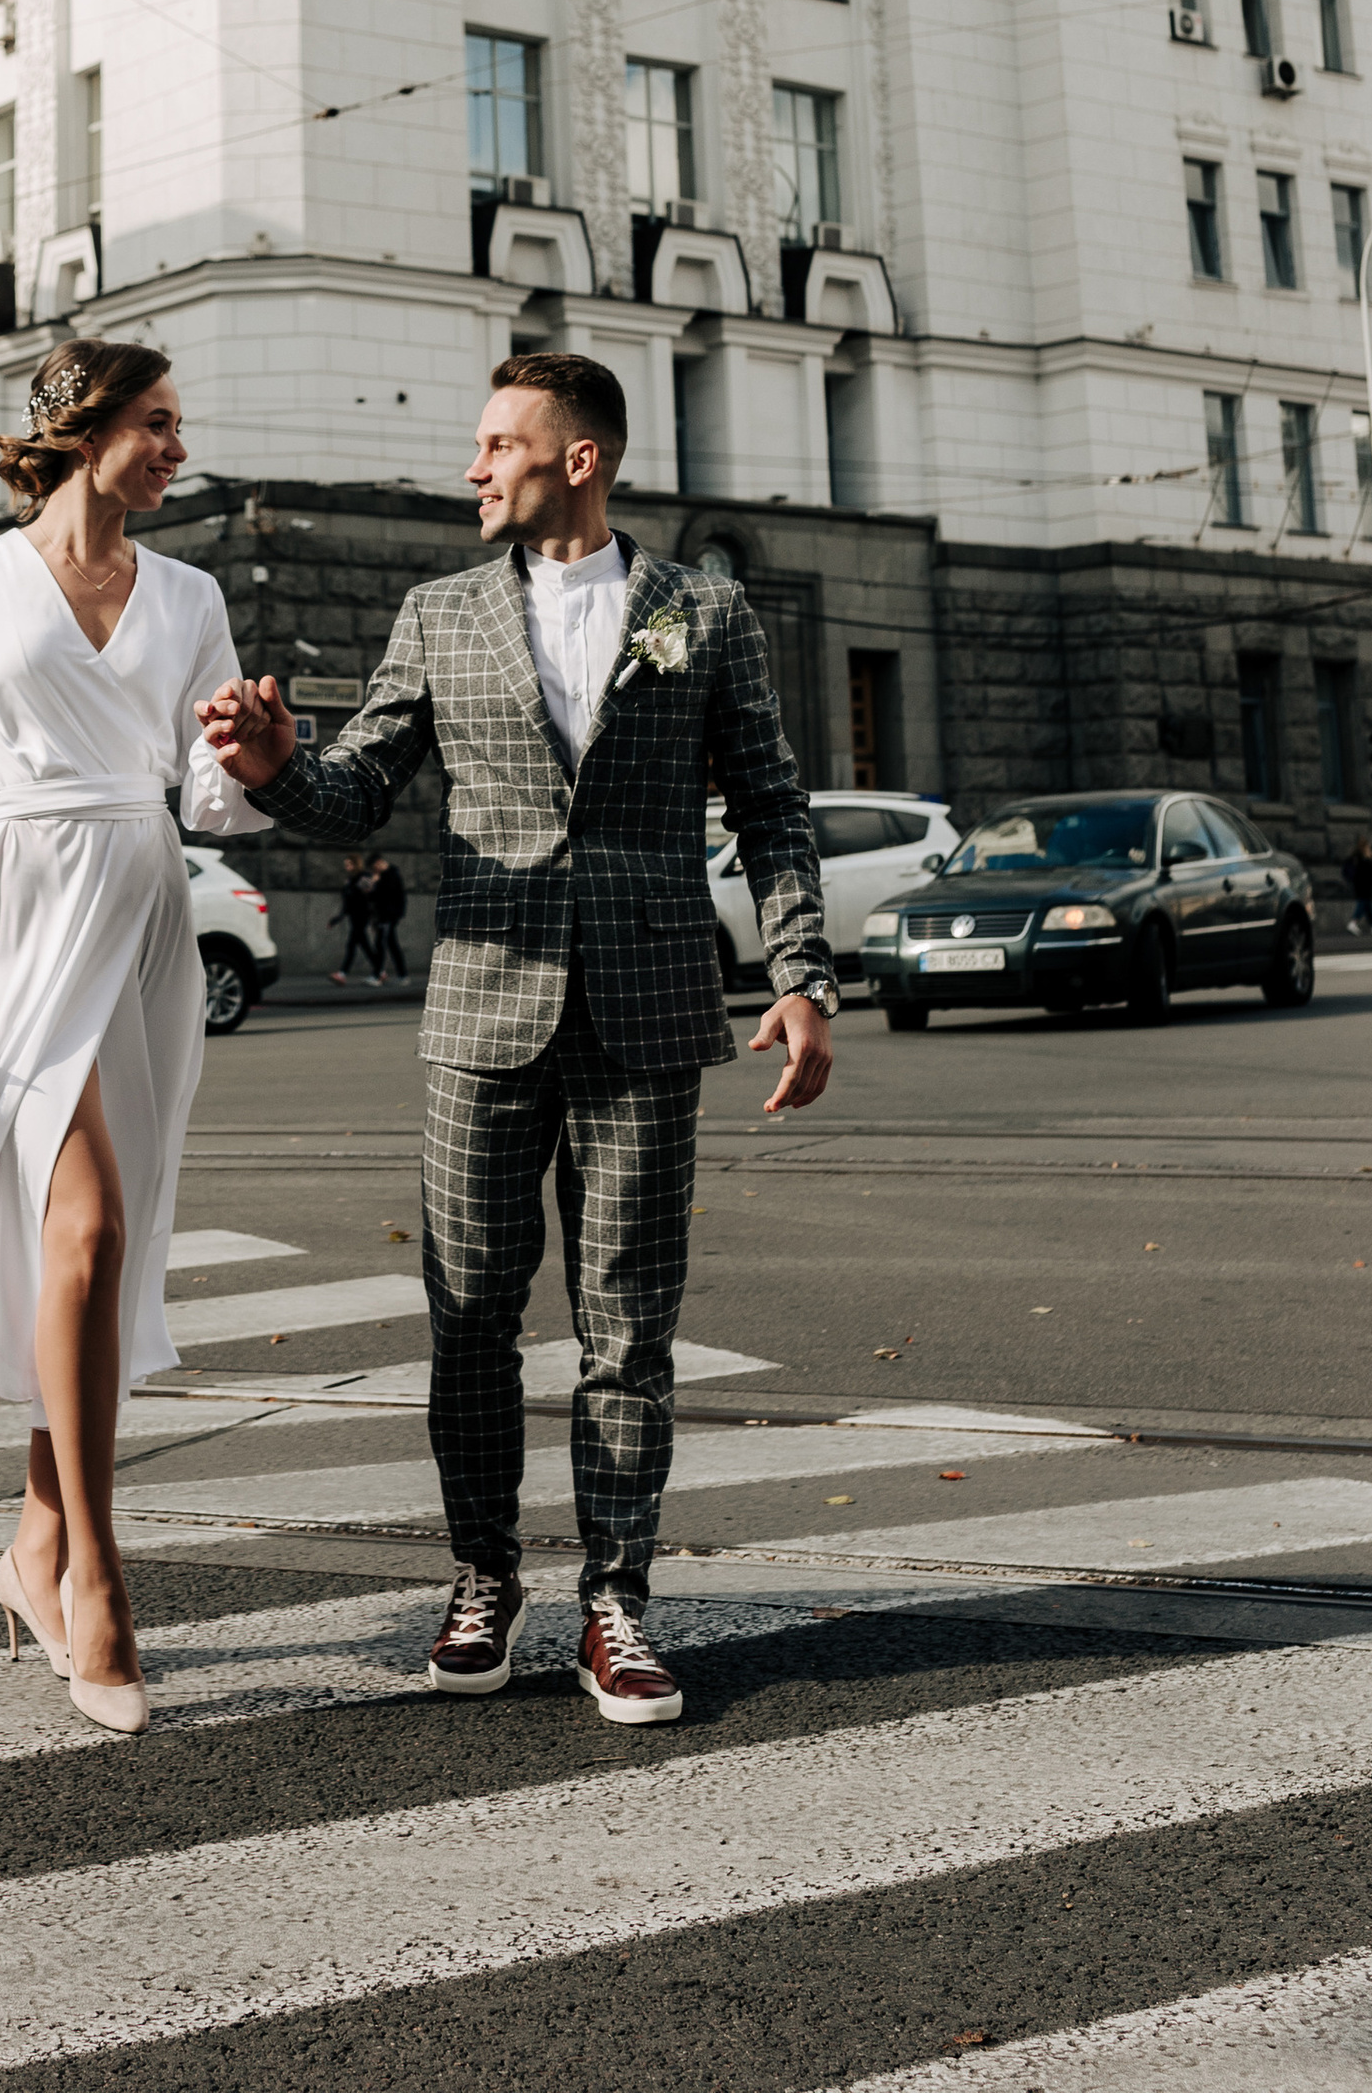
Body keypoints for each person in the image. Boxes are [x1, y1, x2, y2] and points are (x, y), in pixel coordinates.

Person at [202, 349, 834, 1728]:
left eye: (498, 444)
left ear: (578, 458)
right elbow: (358, 788)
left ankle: (618, 1602)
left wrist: (800, 976)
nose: (474, 467)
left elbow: (773, 810)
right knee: (472, 1317)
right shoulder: (438, 616)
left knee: (629, 1331)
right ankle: (484, 1574)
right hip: (485, 1014)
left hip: (652, 1012)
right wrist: (269, 771)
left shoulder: (702, 613)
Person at [0, 339, 348, 1736]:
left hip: (138, 919)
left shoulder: (187, 595)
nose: (181, 449)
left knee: (99, 1242)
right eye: (160, 424)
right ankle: (102, 1579)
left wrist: (255, 759)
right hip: (13, 920)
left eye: (182, 425)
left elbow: (210, 797)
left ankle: (32, 1541)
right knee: (89, 1228)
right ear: (81, 430)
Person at [329, 855, 381, 984]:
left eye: (349, 864)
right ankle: (380, 971)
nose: (347, 867)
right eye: (346, 865)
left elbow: (371, 899)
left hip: (362, 916)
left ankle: (342, 973)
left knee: (352, 946)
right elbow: (347, 903)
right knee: (365, 946)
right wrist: (337, 919)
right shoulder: (350, 880)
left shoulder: (363, 878)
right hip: (354, 916)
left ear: (356, 864)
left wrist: (374, 919)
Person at [365, 850, 410, 986]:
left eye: (374, 868)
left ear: (378, 863)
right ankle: (402, 975)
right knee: (392, 945)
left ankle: (377, 976)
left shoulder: (390, 875)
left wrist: (375, 884)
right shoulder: (388, 875)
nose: (373, 871)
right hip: (385, 916)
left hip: (388, 916)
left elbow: (386, 896)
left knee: (381, 945)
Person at [1342, 831, 1372, 938]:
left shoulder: (1355, 857)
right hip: (1365, 884)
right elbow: (1371, 871)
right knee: (1364, 902)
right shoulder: (1365, 857)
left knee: (1367, 903)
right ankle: (1354, 922)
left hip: (1359, 884)